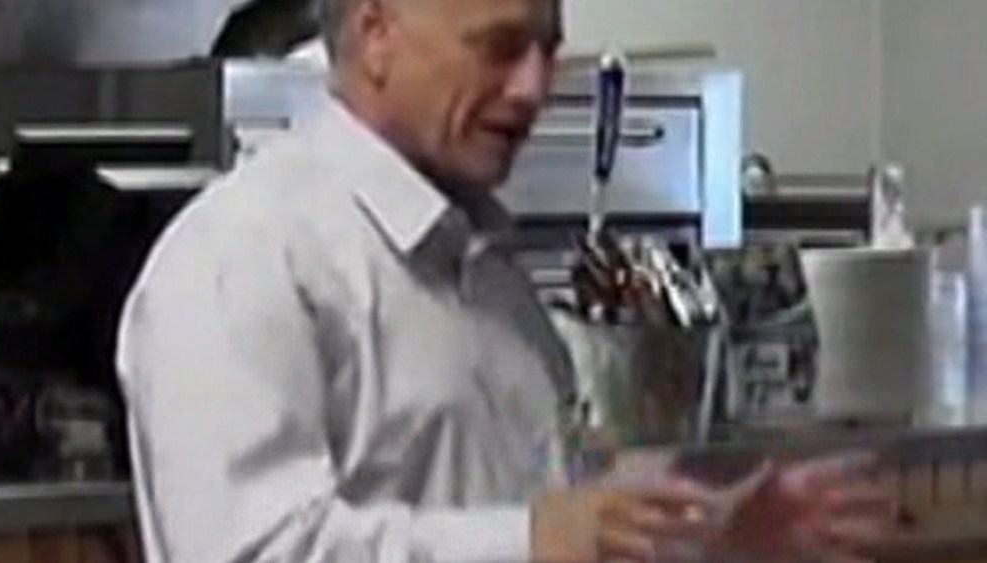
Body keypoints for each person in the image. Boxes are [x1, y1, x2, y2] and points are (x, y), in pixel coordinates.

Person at [117, 0, 895, 561]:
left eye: (547, 51)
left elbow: (544, 516)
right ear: (377, 34)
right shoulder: (241, 258)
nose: (533, 87)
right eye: (500, 47)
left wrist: (707, 534)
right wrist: (533, 539)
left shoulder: (490, 277)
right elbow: (251, 550)